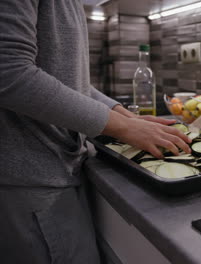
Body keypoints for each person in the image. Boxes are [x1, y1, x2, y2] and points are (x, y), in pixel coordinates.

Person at [0, 1, 191, 263]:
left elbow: (68, 82)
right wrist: (126, 128)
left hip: (53, 171)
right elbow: (9, 73)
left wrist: (127, 117)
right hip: (29, 178)